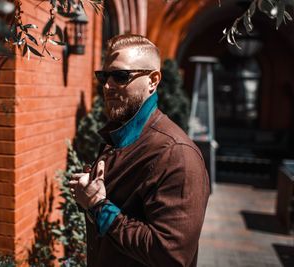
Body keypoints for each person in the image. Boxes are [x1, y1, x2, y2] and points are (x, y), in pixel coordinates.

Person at [69, 34, 210, 267]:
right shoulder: (119, 135)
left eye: (121, 76)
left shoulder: (177, 155)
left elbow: (172, 255)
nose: (107, 86)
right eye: (104, 76)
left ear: (153, 81)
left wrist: (98, 206)